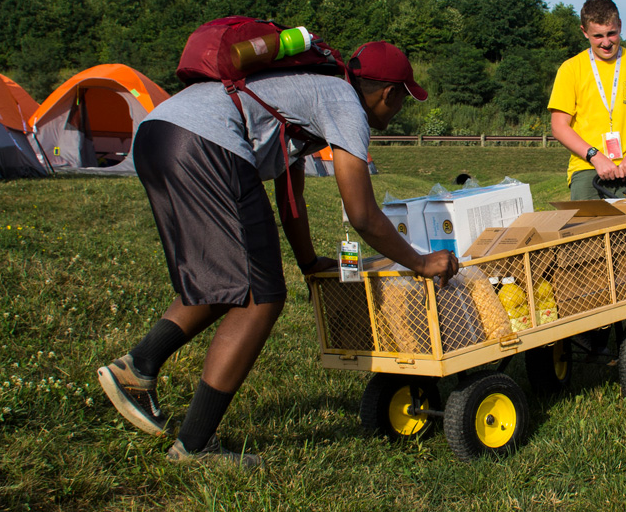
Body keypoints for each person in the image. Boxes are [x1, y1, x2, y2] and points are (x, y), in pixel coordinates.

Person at [96, 41, 460, 466]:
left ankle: (138, 367)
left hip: (159, 134)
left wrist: (308, 264)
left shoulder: (311, 91)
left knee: (226, 278)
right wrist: (420, 262)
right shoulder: (345, 103)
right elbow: (362, 214)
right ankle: (195, 445)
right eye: (402, 100)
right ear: (389, 93)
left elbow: (292, 197)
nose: (397, 110)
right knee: (261, 297)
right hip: (206, 142)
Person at [548, 0, 626, 200]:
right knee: (590, 230)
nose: (606, 42)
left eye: (611, 33)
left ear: (620, 26)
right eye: (598, 36)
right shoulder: (570, 69)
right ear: (584, 32)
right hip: (587, 167)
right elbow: (559, 126)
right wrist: (595, 156)